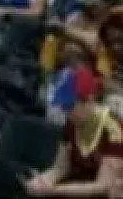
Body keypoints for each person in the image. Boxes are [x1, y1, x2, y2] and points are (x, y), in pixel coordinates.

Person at [26, 66, 123, 197]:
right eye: (63, 106)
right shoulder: (71, 124)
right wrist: (44, 180)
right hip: (73, 188)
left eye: (69, 105)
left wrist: (54, 190)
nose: (65, 111)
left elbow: (103, 186)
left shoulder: (114, 131)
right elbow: (61, 167)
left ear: (89, 100)